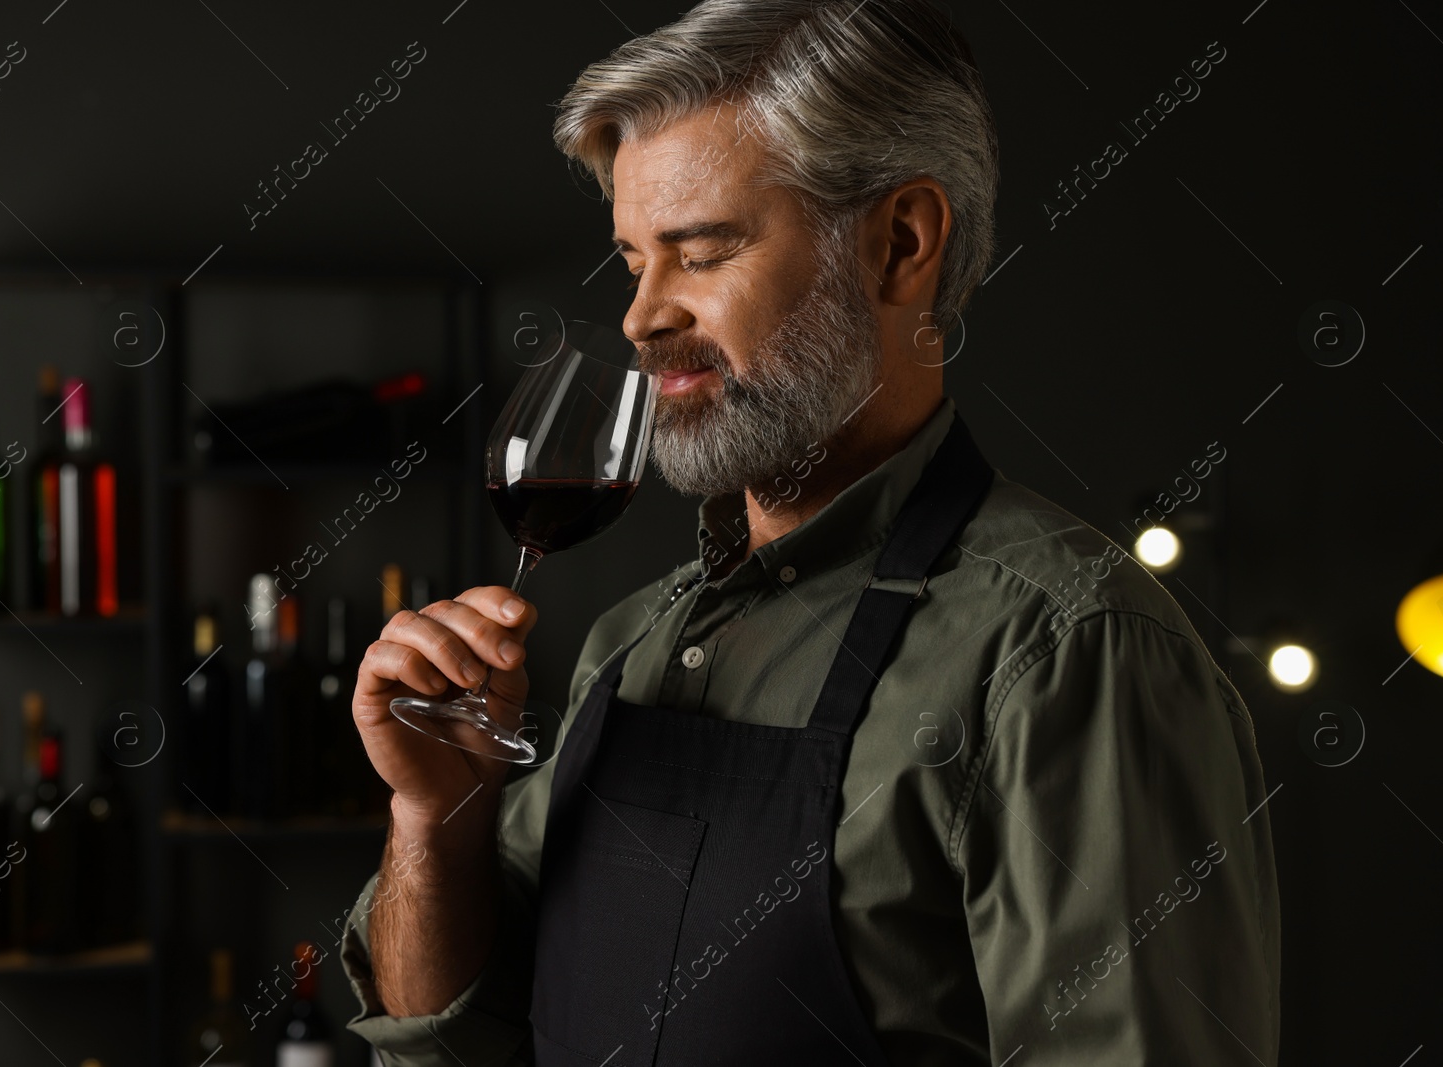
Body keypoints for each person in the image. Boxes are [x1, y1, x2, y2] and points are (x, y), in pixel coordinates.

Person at [339, 2, 1281, 1064]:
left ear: (899, 244)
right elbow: (445, 1046)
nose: (642, 315)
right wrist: (434, 820)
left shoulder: (1065, 650)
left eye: (700, 250)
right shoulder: (629, 644)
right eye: (633, 260)